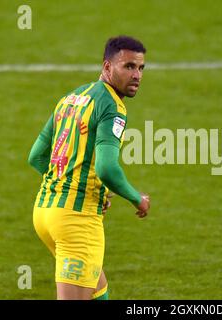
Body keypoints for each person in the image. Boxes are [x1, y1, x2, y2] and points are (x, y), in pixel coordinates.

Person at [28, 35, 150, 300]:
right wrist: (136, 198)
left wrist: (71, 186)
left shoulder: (71, 98)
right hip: (76, 220)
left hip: (44, 213)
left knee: (97, 288)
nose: (137, 75)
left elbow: (36, 156)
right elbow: (107, 168)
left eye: (141, 68)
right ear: (107, 67)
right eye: (128, 66)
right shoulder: (111, 106)